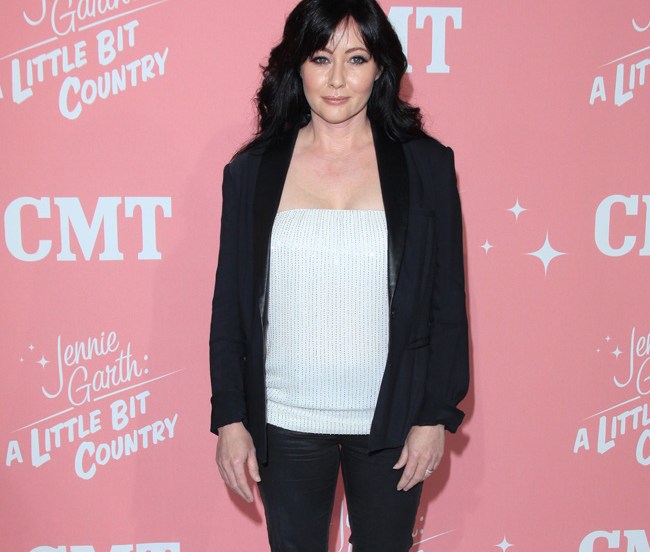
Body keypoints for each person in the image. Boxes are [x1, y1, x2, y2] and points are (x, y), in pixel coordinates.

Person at [209, 0, 469, 550]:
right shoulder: (251, 171)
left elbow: (446, 302)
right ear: (297, 65)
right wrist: (230, 417)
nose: (336, 80)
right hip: (284, 420)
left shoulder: (426, 165)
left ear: (380, 68)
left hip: (393, 419)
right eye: (320, 58)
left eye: (356, 59)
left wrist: (435, 416)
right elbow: (229, 305)